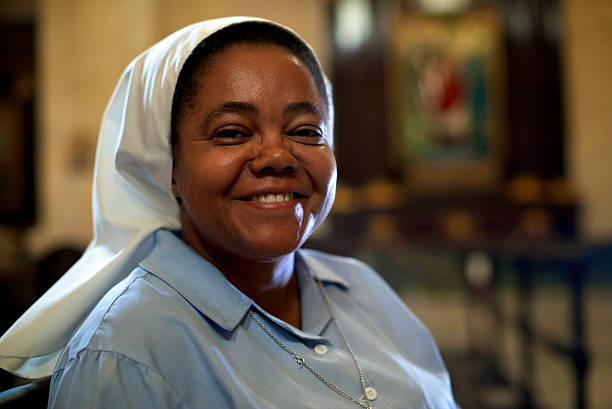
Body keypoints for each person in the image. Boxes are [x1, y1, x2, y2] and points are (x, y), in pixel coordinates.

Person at [0, 17, 458, 408]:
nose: (278, 155)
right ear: (171, 168)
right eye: (232, 132)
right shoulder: (127, 353)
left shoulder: (364, 289)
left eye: (306, 130)